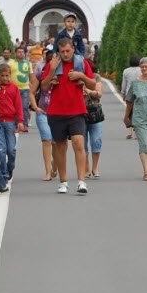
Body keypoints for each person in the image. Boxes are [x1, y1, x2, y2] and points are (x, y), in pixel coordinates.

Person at [39, 36, 96, 194]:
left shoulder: (81, 63)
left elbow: (93, 83)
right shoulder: (53, 64)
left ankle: (81, 182)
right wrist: (51, 72)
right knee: (60, 146)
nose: (65, 54)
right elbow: (43, 86)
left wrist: (81, 77)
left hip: (77, 110)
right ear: (58, 50)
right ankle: (63, 182)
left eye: (68, 51)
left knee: (78, 142)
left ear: (73, 50)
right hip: (56, 111)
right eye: (62, 51)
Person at [30, 45, 57, 181]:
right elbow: (31, 92)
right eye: (50, 61)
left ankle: (56, 165)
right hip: (43, 112)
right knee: (47, 139)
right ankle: (47, 171)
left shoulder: (63, 75)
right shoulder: (40, 75)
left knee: (57, 142)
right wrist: (35, 107)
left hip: (58, 113)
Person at [0, 63, 23, 183]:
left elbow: (18, 105)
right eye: (2, 76)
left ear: (10, 75)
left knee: (11, 149)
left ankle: (10, 167)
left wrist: (21, 121)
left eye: (7, 75)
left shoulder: (14, 88)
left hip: (10, 122)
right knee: (1, 150)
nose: (5, 78)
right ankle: (4, 173)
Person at [8, 44, 33, 132]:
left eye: (22, 52)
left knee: (24, 106)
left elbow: (31, 75)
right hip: (14, 89)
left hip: (25, 88)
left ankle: (25, 125)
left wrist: (32, 86)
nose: (21, 53)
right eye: (19, 52)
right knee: (14, 107)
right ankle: (15, 126)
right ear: (15, 53)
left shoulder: (28, 63)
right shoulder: (10, 63)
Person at [83, 81, 105, 178]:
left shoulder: (96, 81)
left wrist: (87, 91)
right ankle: (86, 168)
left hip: (95, 115)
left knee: (96, 140)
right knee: (82, 143)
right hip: (79, 115)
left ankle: (95, 167)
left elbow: (99, 94)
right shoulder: (74, 79)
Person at [119, 54, 142, 139]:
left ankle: (129, 131)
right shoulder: (141, 70)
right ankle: (136, 133)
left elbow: (124, 84)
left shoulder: (126, 71)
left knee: (129, 112)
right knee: (138, 112)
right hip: (140, 93)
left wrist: (123, 93)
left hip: (129, 93)